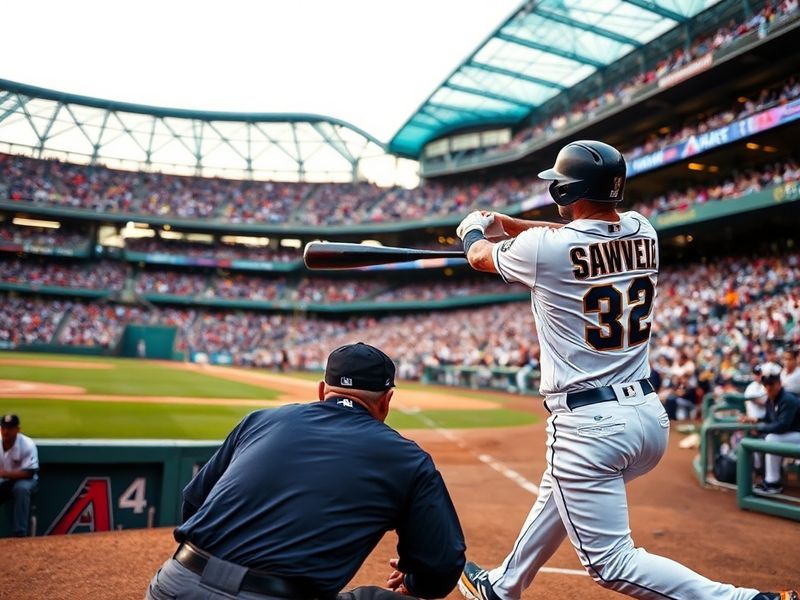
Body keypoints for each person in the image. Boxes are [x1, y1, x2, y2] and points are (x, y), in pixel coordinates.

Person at [454, 140, 796, 600]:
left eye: (558, 185)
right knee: (559, 488)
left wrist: (474, 231)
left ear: (567, 193)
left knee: (610, 564)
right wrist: (506, 224)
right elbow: (566, 235)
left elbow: (480, 257)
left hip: (588, 424)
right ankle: (503, 586)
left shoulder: (546, 249)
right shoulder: (643, 229)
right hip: (647, 418)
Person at [146, 342, 465, 600]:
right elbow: (442, 566)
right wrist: (414, 581)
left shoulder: (260, 420)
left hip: (174, 584)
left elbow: (194, 501)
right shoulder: (408, 458)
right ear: (386, 401)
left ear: (322, 389)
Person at [740, 362, 800, 494]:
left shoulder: (788, 399)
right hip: (794, 436)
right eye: (765, 385)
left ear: (779, 384)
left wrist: (761, 428)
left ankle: (773, 483)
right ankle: (769, 478)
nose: (768, 388)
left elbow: (782, 426)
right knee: (770, 438)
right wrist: (757, 420)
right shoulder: (772, 398)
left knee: (772, 439)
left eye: (771, 384)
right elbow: (770, 419)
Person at [0, 413, 39, 537]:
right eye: (3, 428)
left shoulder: (27, 444)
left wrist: (5, 474)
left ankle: (20, 534)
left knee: (21, 488)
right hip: (4, 481)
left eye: (10, 428)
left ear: (17, 430)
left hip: (26, 480)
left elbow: (29, 472)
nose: (6, 431)